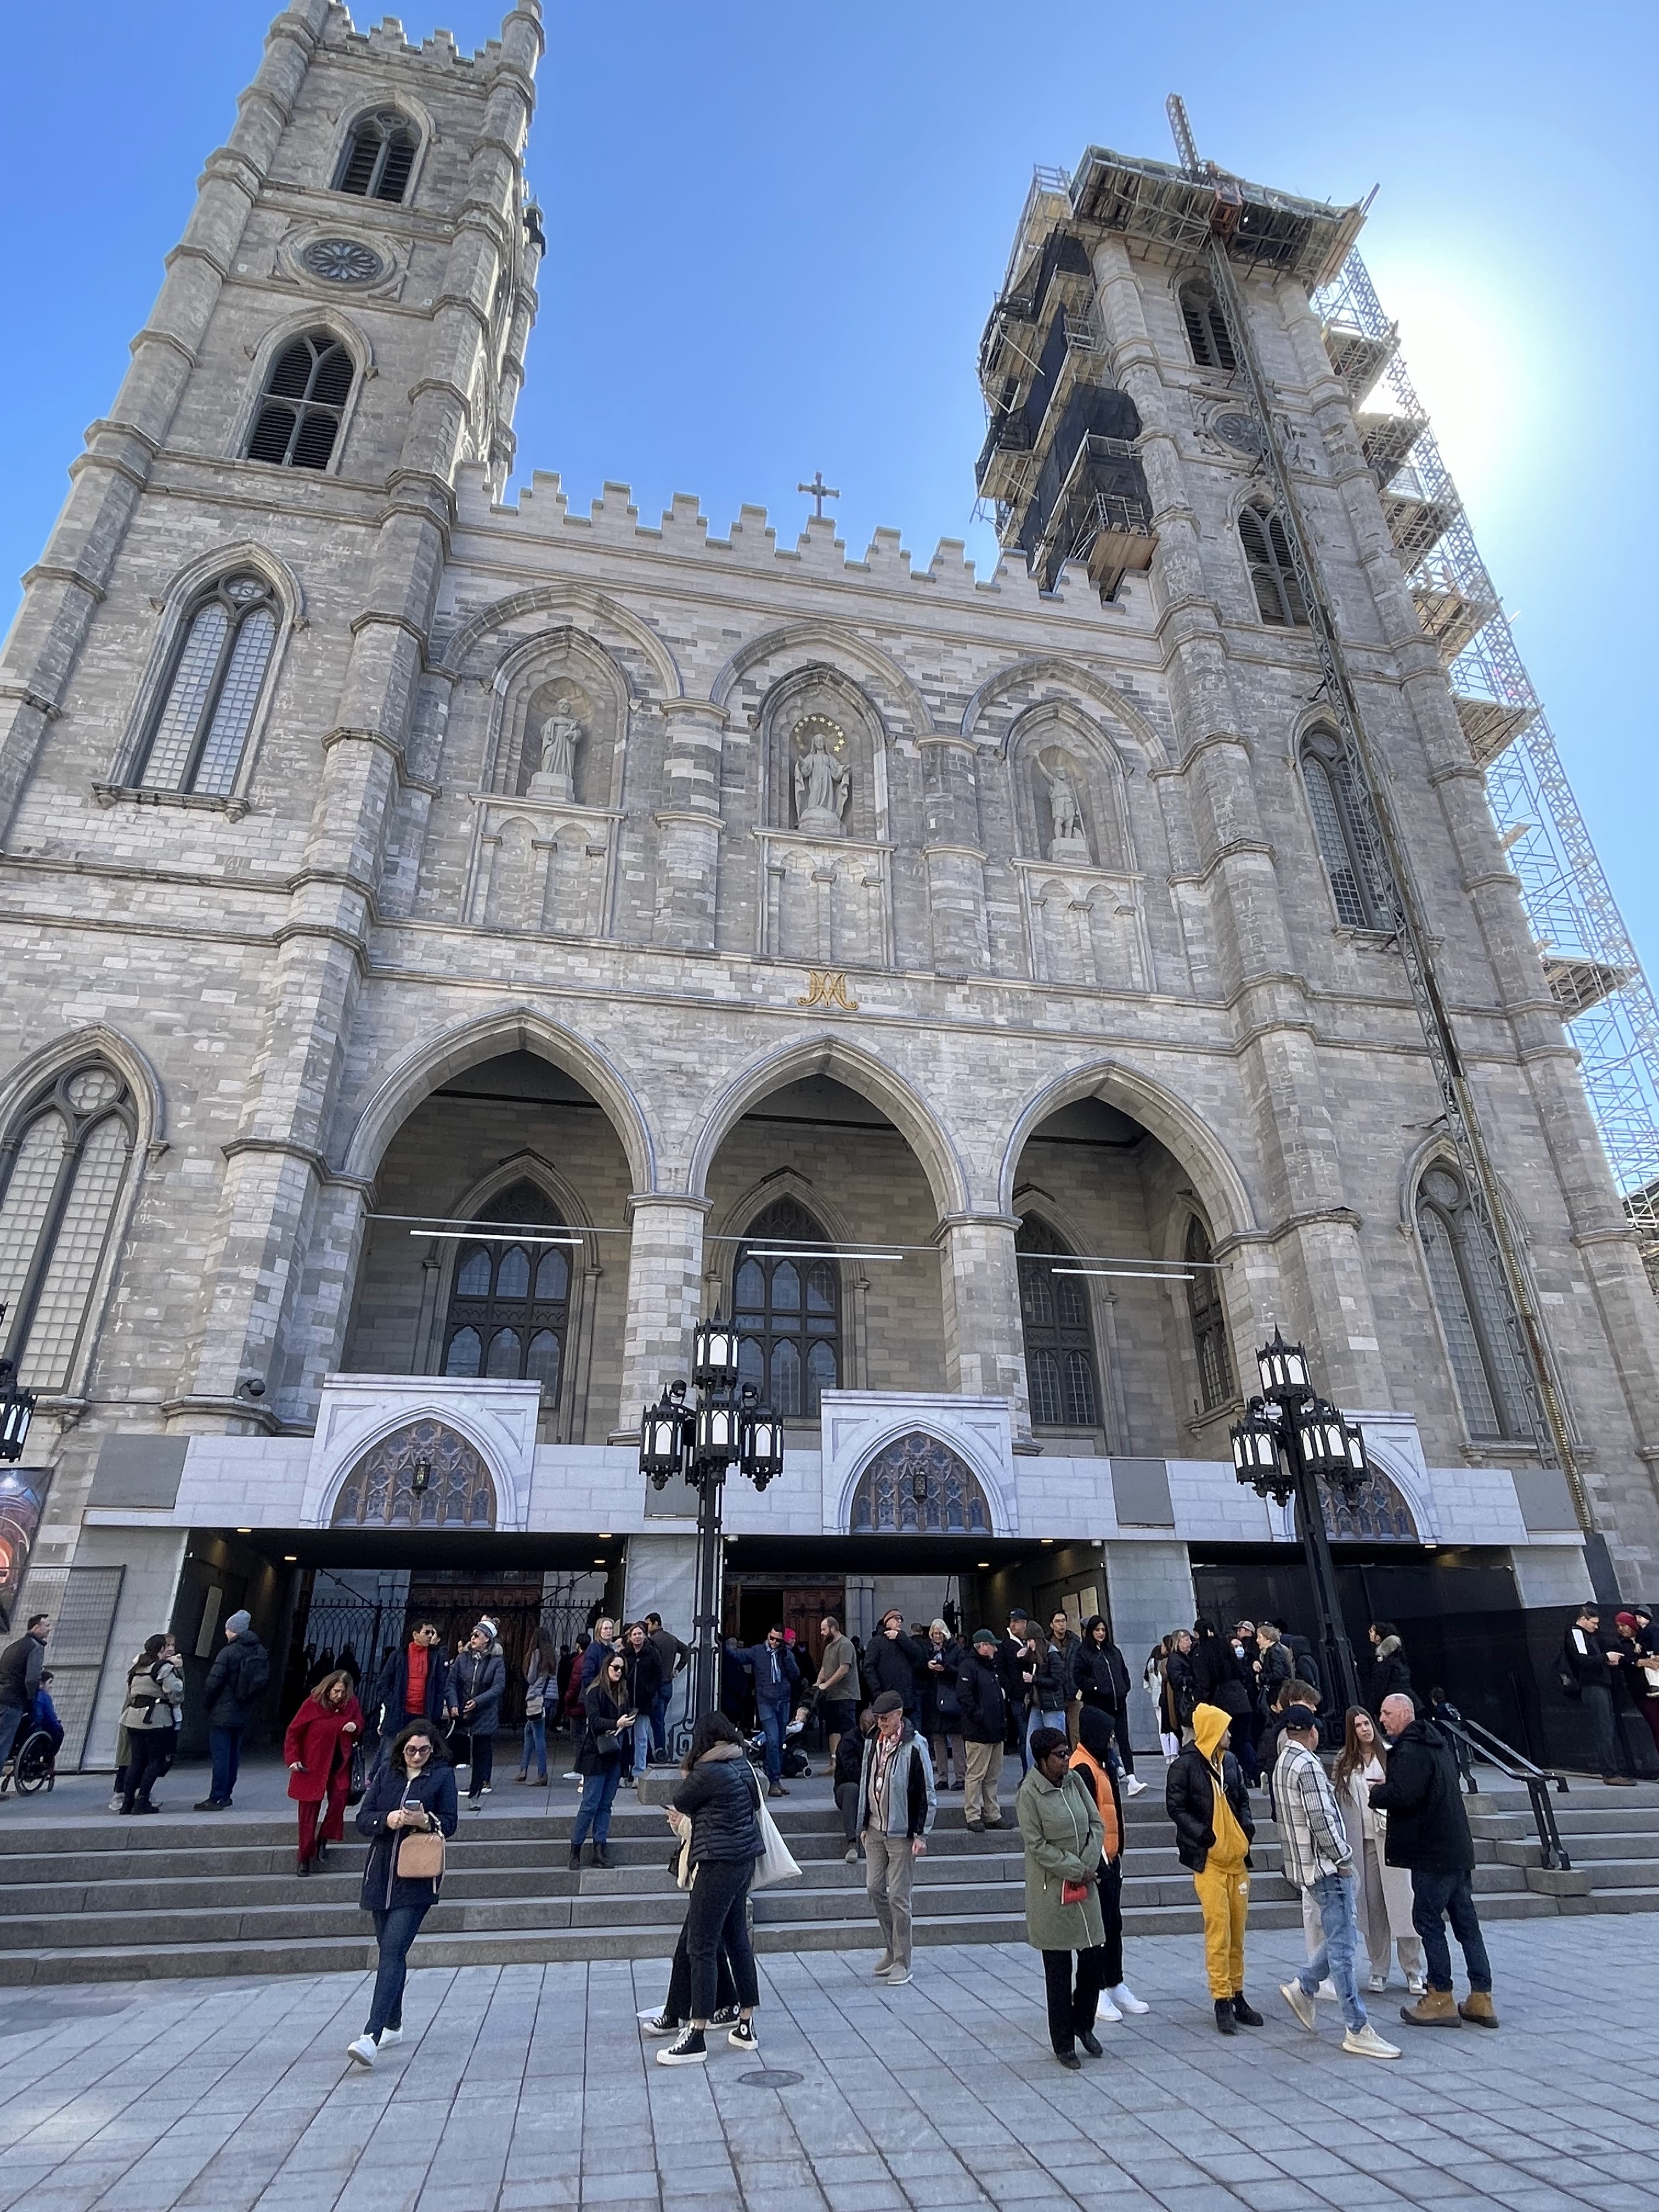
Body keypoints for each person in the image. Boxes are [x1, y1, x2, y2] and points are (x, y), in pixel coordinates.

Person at [1272, 1704, 1401, 2059]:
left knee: (1339, 1936)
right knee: (1344, 1950)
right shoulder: (1308, 1766)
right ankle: (1357, 2027)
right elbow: (1322, 1821)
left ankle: (1305, 1985)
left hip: (1307, 1868)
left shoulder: (1282, 1763)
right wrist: (1345, 1860)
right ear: (1311, 1731)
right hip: (1328, 1868)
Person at [1370, 1690, 1498, 2029]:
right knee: (1466, 1923)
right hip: (1456, 1849)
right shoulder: (1438, 1744)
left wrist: (1377, 1792)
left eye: (1386, 1713)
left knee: (1427, 1919)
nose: (1381, 1720)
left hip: (1432, 1853)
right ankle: (1481, 1996)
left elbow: (1404, 1795)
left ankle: (1439, 1994)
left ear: (1405, 1714)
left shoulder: (1410, 1749)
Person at [347, 1719, 459, 2067]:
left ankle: (372, 2034)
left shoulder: (441, 1776)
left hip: (416, 1877)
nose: (417, 1756)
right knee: (389, 1950)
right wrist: (389, 1820)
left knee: (393, 1949)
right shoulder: (387, 1773)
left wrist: (426, 1821)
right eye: (411, 1750)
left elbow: (451, 1824)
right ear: (401, 1749)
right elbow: (363, 1819)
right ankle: (394, 2023)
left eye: (424, 1750)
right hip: (380, 1874)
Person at [656, 1711, 764, 2066]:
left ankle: (696, 2033)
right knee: (736, 1940)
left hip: (716, 1863)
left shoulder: (706, 1771)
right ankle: (745, 2025)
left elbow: (682, 1800)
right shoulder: (743, 1765)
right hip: (744, 1860)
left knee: (700, 1945)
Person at [1165, 1701, 1260, 2036]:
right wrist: (1203, 1836)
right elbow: (1175, 1807)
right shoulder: (1185, 1766)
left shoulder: (1230, 1762)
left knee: (1237, 1933)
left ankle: (1237, 1994)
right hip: (1209, 1863)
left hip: (1237, 1862)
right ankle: (1221, 1998)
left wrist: (1247, 1829)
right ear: (1211, 1732)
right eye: (1225, 1730)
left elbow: (1243, 1799)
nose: (1230, 1735)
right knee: (1218, 1931)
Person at [1017, 1726, 1108, 2069]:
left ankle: (1084, 2023)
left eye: (1067, 1752)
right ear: (1042, 1760)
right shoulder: (1029, 1793)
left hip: (1085, 1886)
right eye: (1060, 1755)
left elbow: (1096, 1823)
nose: (1067, 1759)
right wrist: (1072, 1868)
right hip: (1051, 1892)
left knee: (1093, 1957)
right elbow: (1036, 1844)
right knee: (1058, 1970)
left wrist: (1086, 1864)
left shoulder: (1075, 1781)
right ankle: (1063, 2042)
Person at [1331, 1706, 1426, 1996]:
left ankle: (1413, 1969)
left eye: (1367, 1723)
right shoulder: (1345, 1762)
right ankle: (1378, 1968)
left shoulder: (1390, 1754)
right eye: (1358, 1725)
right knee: (1372, 1905)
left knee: (1403, 1901)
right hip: (1363, 1841)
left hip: (1391, 1836)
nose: (1365, 1729)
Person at [1069, 1705, 1147, 2023]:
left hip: (1111, 1859)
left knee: (1113, 1924)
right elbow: (1087, 1821)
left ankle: (1115, 1982)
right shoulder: (1082, 1768)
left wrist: (1118, 1854)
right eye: (1109, 1735)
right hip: (1096, 1863)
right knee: (1097, 1930)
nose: (1113, 1741)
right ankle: (1096, 1990)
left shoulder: (1100, 1764)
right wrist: (1097, 1861)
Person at [856, 1690, 935, 1986]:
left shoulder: (915, 1745)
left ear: (899, 1715)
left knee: (900, 1897)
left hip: (902, 1831)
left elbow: (926, 1791)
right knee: (874, 1888)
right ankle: (891, 1948)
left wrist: (921, 1834)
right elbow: (866, 1779)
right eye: (878, 1718)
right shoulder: (872, 1742)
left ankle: (903, 1960)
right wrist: (862, 1824)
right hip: (875, 1829)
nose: (881, 1723)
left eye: (886, 1718)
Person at [284, 1667, 364, 1874]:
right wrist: (293, 1759)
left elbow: (359, 1721)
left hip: (339, 1764)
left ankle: (323, 1838)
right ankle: (304, 1856)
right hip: (313, 1765)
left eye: (342, 1693)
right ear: (328, 1688)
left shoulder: (351, 1704)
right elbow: (294, 1732)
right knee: (308, 1812)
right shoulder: (313, 1703)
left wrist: (355, 1725)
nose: (338, 1696)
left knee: (339, 1800)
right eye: (336, 1691)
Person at [195, 1609, 269, 1811]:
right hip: (244, 1710)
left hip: (222, 1711)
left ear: (233, 1630)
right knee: (233, 1755)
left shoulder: (228, 1651)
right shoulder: (259, 1651)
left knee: (221, 1756)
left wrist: (207, 1704)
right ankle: (226, 1794)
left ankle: (216, 1796)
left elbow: (213, 1682)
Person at [571, 1647, 633, 1868]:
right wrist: (617, 1724)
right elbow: (594, 1721)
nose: (618, 1672)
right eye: (615, 1668)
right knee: (590, 1804)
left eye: (621, 1670)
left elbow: (622, 1721)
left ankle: (600, 1849)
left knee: (606, 1804)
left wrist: (622, 1726)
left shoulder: (623, 1694)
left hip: (614, 1752)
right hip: (595, 1754)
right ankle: (575, 1850)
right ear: (606, 1668)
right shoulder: (594, 1691)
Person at [1562, 1603, 1635, 1785]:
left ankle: (1612, 1770)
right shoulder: (1576, 1632)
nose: (1596, 1627)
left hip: (1599, 1683)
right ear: (1583, 1620)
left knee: (1607, 1728)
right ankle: (1610, 1772)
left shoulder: (1586, 1635)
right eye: (1593, 1623)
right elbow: (1582, 1659)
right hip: (1593, 1685)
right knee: (1604, 1729)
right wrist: (1605, 1658)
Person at [117, 1634, 183, 1815]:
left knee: (136, 1761)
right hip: (156, 1718)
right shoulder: (163, 1668)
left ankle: (127, 1802)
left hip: (132, 1718)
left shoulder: (136, 1668)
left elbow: (131, 1694)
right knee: (156, 1761)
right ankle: (142, 1800)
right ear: (161, 1649)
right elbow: (176, 1690)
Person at [444, 1618, 506, 1808]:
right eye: (472, 1634)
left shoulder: (496, 1662)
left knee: (480, 1754)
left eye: (477, 1635)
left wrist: (478, 1702)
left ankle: (475, 1793)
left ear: (487, 1639)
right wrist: (454, 1703)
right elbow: (451, 1683)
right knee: (451, 1753)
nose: (472, 1638)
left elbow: (498, 1687)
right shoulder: (463, 1659)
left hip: (483, 1714)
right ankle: (444, 1790)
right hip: (461, 1713)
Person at [733, 1623, 799, 1797]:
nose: (774, 1643)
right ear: (768, 1635)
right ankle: (774, 1781)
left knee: (780, 1742)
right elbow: (739, 1656)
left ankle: (775, 1778)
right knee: (772, 1739)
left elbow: (795, 1675)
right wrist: (724, 1645)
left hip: (783, 1700)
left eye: (779, 1641)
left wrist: (786, 1656)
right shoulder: (757, 1651)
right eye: (772, 1639)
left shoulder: (785, 1654)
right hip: (766, 1702)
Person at [368, 1622, 446, 1765]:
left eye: (432, 1633)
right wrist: (393, 1703)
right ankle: (385, 1783)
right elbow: (383, 1683)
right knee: (390, 1753)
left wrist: (436, 1711)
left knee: (420, 1753)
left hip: (423, 1712)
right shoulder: (399, 1655)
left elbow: (441, 1687)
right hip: (400, 1711)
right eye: (426, 1633)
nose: (430, 1636)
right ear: (415, 1635)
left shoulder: (435, 1657)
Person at [958, 1627, 1010, 1833]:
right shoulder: (968, 1667)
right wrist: (979, 1717)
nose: (995, 1650)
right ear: (983, 1646)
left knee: (993, 1775)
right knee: (975, 1775)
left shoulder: (990, 1667)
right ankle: (973, 1814)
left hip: (995, 1730)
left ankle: (992, 1814)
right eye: (993, 1646)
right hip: (979, 1731)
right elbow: (965, 1698)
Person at [1192, 1621, 1255, 1786]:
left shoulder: (1201, 1652)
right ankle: (1254, 1773)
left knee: (1226, 1743)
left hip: (1221, 1702)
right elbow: (1240, 1670)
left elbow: (1204, 1682)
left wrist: (1200, 1703)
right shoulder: (1224, 1646)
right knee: (1243, 1741)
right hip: (1241, 1698)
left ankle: (1233, 1778)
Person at [0, 1613, 49, 1779]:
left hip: (2, 1695)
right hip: (14, 1700)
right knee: (3, 1743)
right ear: (36, 1627)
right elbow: (32, 1679)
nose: (49, 1629)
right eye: (46, 1626)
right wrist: (31, 1701)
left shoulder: (13, 1646)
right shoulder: (35, 1647)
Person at [918, 1619, 962, 1788]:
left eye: (940, 1633)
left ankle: (960, 1776)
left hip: (951, 1697)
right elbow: (920, 1670)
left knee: (957, 1739)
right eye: (935, 1634)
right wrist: (927, 1666)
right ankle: (942, 1778)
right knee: (938, 1739)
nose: (938, 1637)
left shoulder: (955, 1650)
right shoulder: (928, 1650)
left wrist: (946, 1668)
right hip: (934, 1698)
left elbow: (961, 1670)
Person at [862, 1609, 926, 1717]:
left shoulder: (903, 1640)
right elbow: (869, 1668)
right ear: (887, 1621)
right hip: (885, 1695)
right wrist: (877, 1691)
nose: (900, 1621)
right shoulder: (876, 1642)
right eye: (896, 1619)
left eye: (901, 1619)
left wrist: (900, 1637)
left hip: (905, 1697)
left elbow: (918, 1655)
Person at [815, 1613, 860, 1763]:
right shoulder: (828, 1647)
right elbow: (824, 1667)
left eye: (824, 1629)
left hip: (845, 1695)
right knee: (832, 1730)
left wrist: (827, 1684)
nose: (822, 1633)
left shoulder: (845, 1644)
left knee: (847, 1730)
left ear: (833, 1628)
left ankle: (849, 1761)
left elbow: (844, 1669)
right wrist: (818, 1682)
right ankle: (834, 1762)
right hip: (831, 1696)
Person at [644, 1612, 690, 1759]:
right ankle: (659, 1750)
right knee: (659, 1720)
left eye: (648, 1624)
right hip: (667, 1684)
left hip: (656, 1686)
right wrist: (677, 1669)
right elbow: (686, 1651)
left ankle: (659, 1752)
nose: (647, 1627)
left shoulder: (653, 1641)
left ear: (655, 1623)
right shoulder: (671, 1638)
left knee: (655, 1723)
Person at [623, 1623, 663, 1784]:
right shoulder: (625, 1654)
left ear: (644, 1635)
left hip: (644, 1703)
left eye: (640, 1634)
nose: (637, 1637)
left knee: (641, 1738)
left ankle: (639, 1771)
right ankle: (624, 1771)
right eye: (635, 1634)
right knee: (624, 1739)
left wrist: (649, 1691)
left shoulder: (652, 1654)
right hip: (626, 1703)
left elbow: (658, 1676)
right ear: (630, 1637)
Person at [834, 1705, 874, 1863]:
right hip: (847, 1789)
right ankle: (852, 1843)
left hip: (872, 1787)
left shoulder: (881, 1739)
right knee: (852, 1789)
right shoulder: (848, 1741)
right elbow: (853, 1773)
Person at [1618, 1615, 1659, 1770]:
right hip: (1641, 1690)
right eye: (1619, 1626)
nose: (1621, 1629)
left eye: (1624, 1625)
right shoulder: (1621, 1643)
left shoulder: (1647, 1636)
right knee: (1656, 1726)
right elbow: (1622, 1661)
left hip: (1656, 1683)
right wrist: (1639, 1662)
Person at [517, 1628, 558, 1784]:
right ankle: (523, 1769)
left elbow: (531, 1678)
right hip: (552, 1697)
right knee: (529, 1731)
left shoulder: (536, 1654)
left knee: (538, 1735)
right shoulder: (554, 1655)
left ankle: (542, 1774)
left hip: (537, 1699)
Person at [998, 1609, 1033, 1771]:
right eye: (1011, 1621)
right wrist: (1011, 1689)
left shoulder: (1031, 1642)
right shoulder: (1006, 1645)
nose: (1012, 1624)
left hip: (1035, 1695)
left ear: (1024, 1624)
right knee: (1024, 1734)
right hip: (1019, 1697)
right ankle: (1027, 1772)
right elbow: (1002, 1670)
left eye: (1016, 1621)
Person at [1026, 1628, 1069, 1759]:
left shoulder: (1053, 1655)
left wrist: (1034, 1679)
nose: (1028, 1644)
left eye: (1030, 1640)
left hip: (1053, 1706)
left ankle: (1059, 1774)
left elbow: (1057, 1682)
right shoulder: (1033, 1656)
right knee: (1031, 1743)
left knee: (1056, 1744)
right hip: (1037, 1705)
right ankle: (1031, 1775)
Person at [1367, 1622, 1412, 1715]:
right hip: (1404, 1703)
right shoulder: (1397, 1658)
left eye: (1372, 1631)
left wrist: (1371, 1709)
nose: (1369, 1633)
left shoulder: (1386, 1663)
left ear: (1378, 1637)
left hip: (1396, 1708)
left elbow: (1379, 1688)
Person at [1162, 1628, 1198, 1745]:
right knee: (1188, 1734)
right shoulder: (1175, 1659)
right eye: (1186, 1640)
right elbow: (1177, 1680)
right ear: (1178, 1642)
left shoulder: (1187, 1657)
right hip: (1184, 1700)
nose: (1190, 1643)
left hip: (1188, 1699)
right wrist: (1194, 1679)